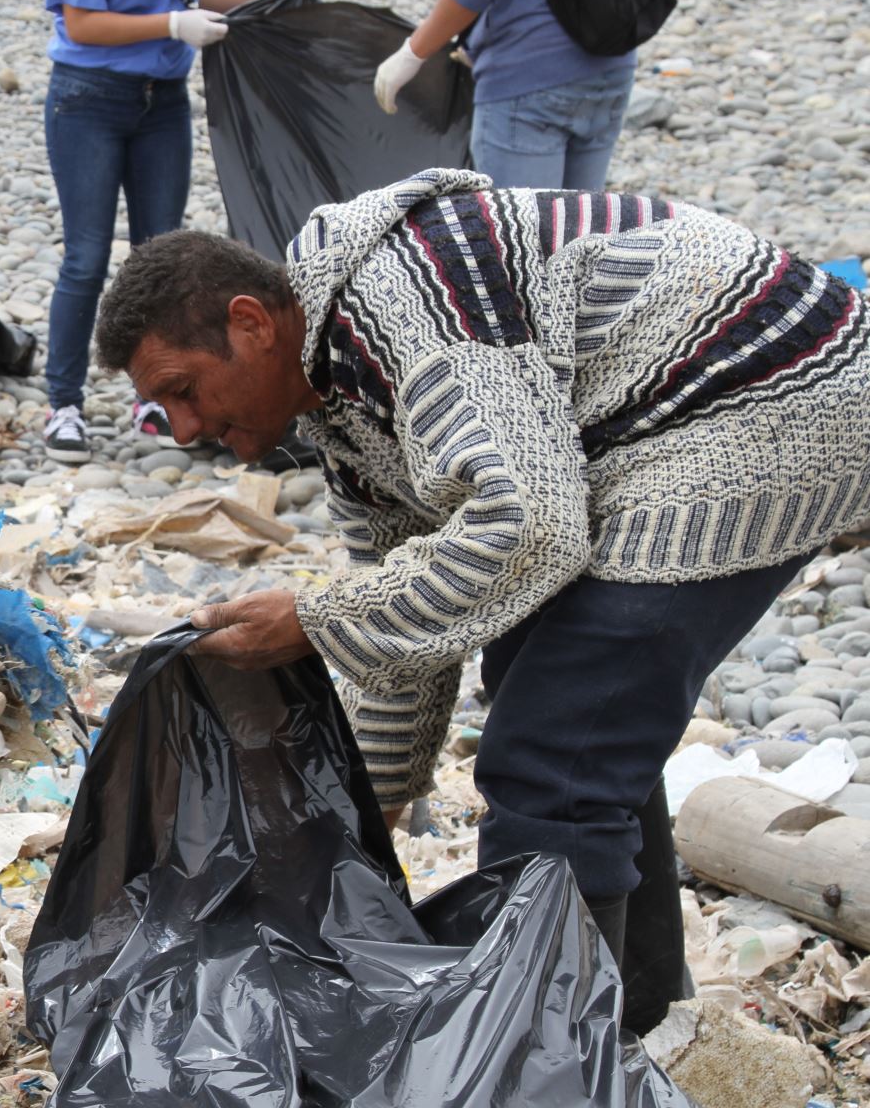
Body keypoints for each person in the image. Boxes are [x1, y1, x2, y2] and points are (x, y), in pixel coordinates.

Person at [91, 167, 870, 1034]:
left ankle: (550, 1064)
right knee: (553, 687)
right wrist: (368, 832)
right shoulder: (338, 409)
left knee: (556, 745)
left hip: (772, 398)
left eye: (184, 390)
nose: (187, 429)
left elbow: (530, 530)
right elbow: (412, 628)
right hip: (655, 425)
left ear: (251, 322)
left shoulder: (404, 309)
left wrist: (314, 622)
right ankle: (640, 1020)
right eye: (165, 411)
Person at [39, 0, 305, 462]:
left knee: (162, 261)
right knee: (85, 258)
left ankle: (157, 398)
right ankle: (63, 402)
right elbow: (81, 20)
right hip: (89, 99)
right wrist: (171, 25)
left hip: (163, 100)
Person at [373, 0, 636, 190]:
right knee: (583, 228)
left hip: (529, 82)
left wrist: (413, 53)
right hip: (611, 63)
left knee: (522, 229)